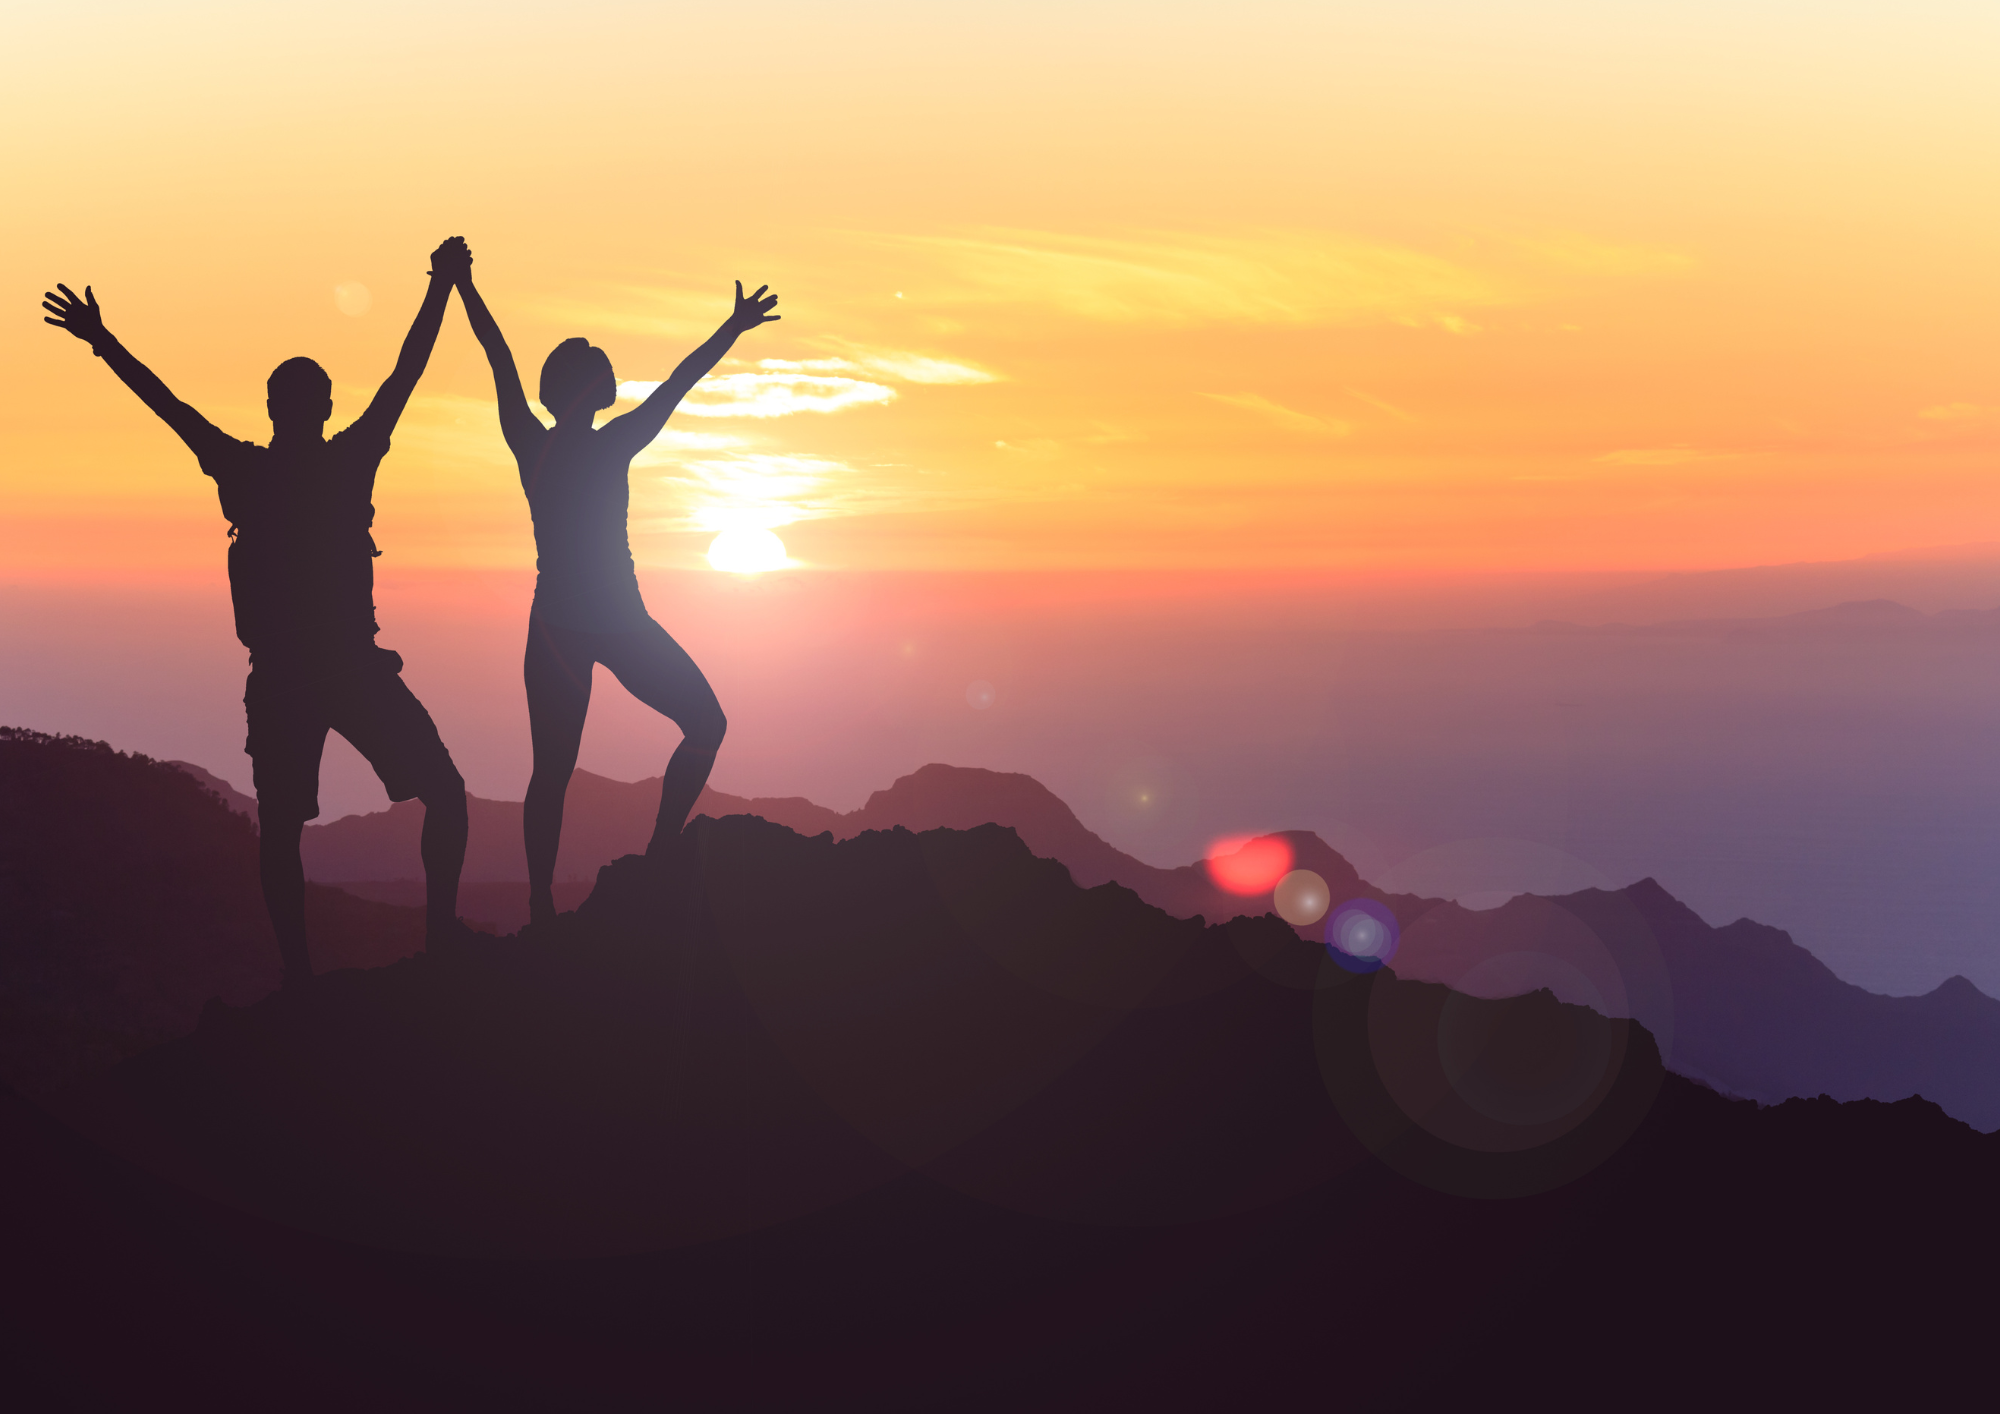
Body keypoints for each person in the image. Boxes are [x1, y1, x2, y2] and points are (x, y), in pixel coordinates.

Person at [42, 239, 478, 988]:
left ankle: (301, 978)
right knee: (443, 796)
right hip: (347, 670)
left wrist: (102, 341)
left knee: (282, 833)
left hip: (285, 680)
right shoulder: (348, 460)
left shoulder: (243, 468)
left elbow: (168, 406)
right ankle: (436, 944)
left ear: (273, 408)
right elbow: (405, 373)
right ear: (325, 407)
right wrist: (441, 285)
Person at [450, 255, 778, 927]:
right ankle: (616, 872)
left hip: (578, 628)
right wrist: (732, 328)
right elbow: (677, 381)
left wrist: (464, 285)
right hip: (601, 626)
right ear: (584, 389)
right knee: (690, 730)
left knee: (558, 771)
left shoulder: (540, 443)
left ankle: (556, 900)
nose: (611, 375)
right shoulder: (606, 442)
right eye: (601, 369)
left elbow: (499, 356)